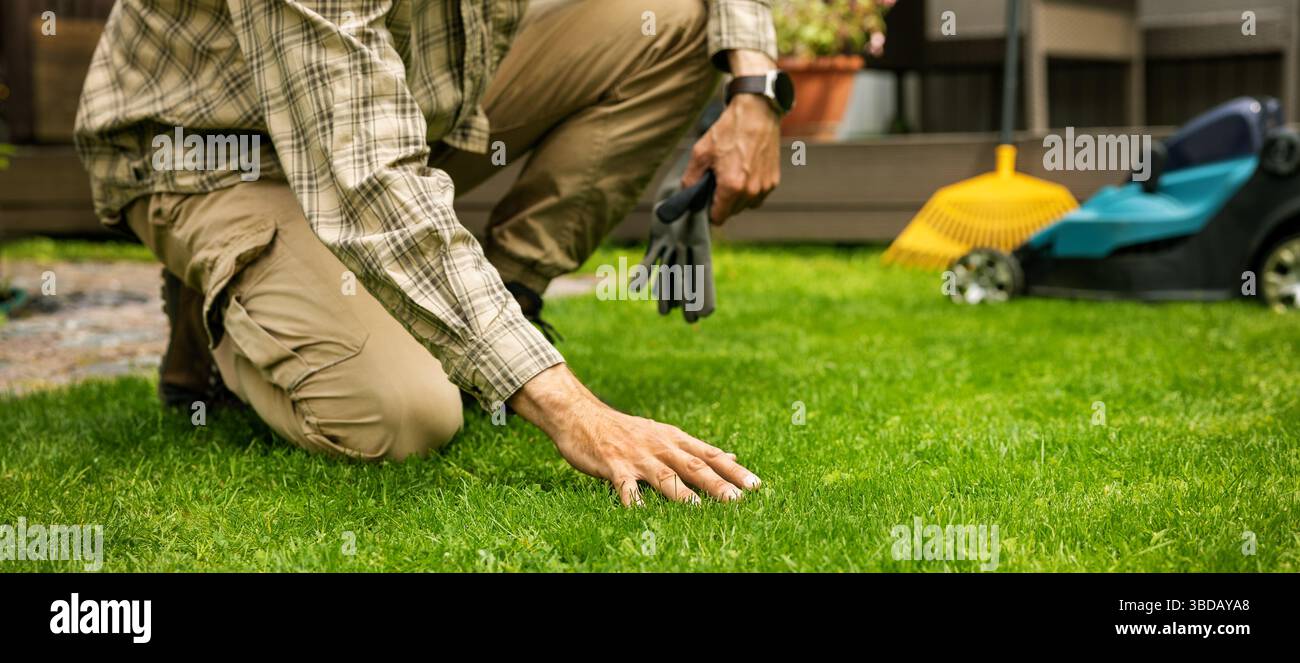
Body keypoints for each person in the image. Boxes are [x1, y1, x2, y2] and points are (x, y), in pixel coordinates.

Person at [75, 0, 793, 506]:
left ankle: (505, 309)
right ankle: (224, 312)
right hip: (218, 151)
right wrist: (574, 410)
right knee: (404, 416)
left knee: (673, 23)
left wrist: (757, 88)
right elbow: (368, 179)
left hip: (409, 95)